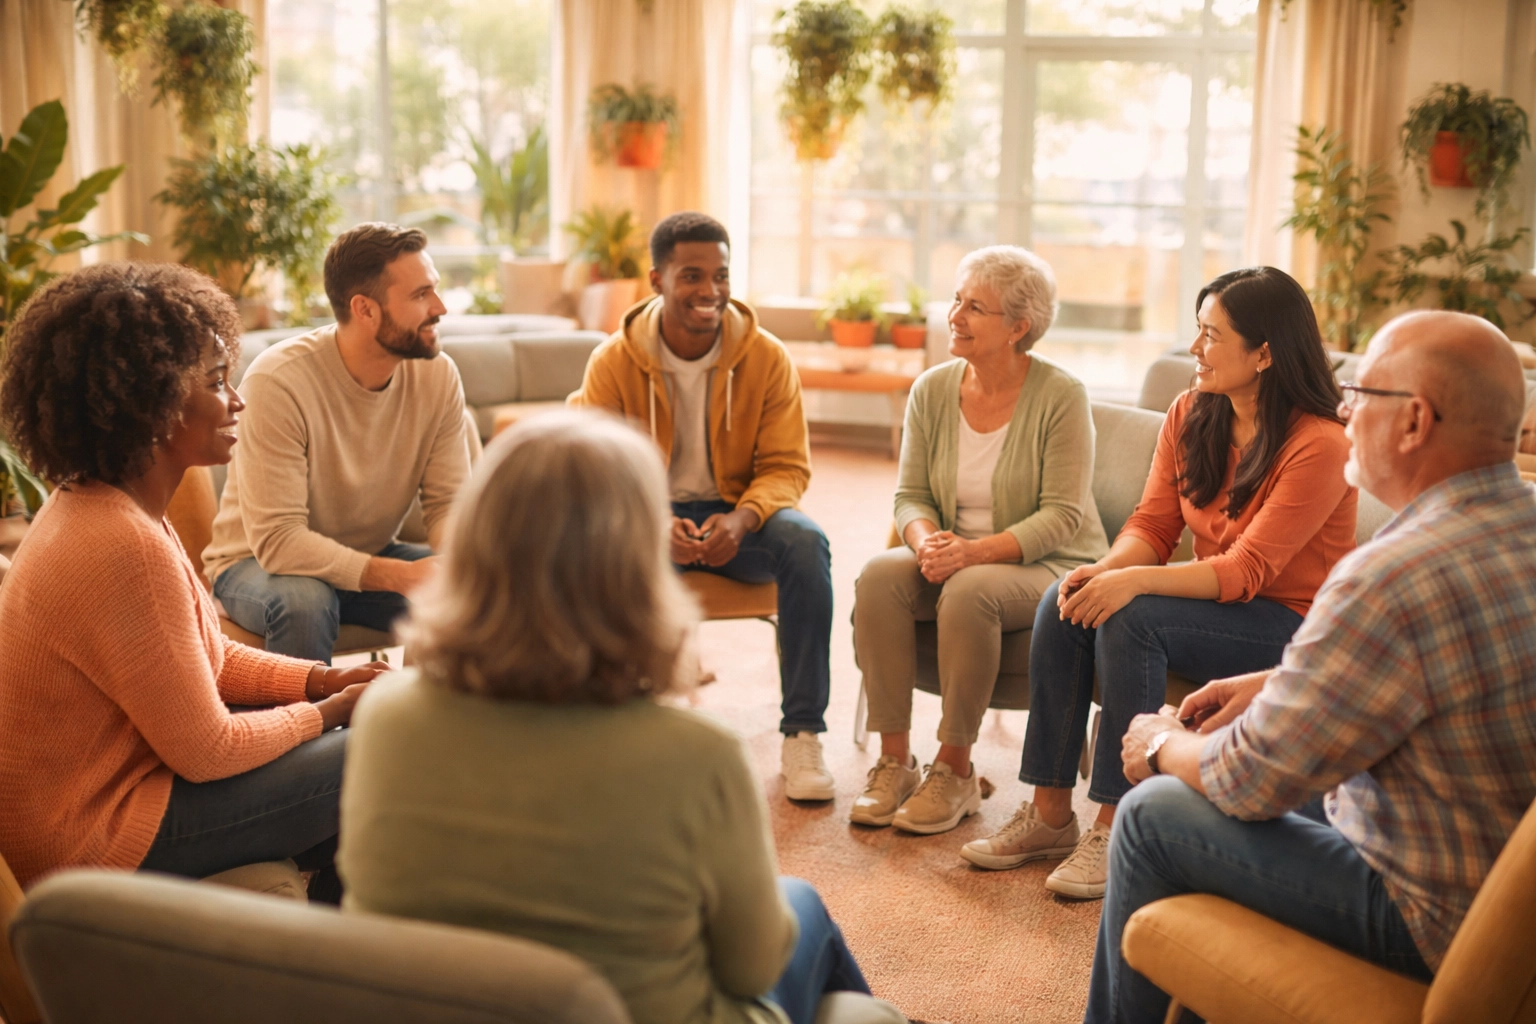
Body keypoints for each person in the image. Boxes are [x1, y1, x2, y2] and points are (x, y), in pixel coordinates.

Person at [338, 410, 901, 1024]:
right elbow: (752, 968)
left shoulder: (386, 718)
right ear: (636, 568)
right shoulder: (697, 754)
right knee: (803, 909)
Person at [1087, 310, 1536, 1024]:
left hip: (1430, 913)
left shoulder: (1393, 574)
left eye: (1360, 391)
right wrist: (1278, 684)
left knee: (1154, 812)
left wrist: (1160, 742)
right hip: (1493, 874)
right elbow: (1458, 670)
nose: (1344, 410)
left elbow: (1250, 779)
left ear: (1414, 421)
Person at [960, 266, 1357, 897]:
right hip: (1214, 606)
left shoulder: (1321, 443)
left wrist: (1135, 585)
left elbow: (1246, 571)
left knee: (1135, 615)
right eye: (1197, 330)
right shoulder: (1191, 410)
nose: (1195, 348)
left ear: (1263, 353)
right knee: (1065, 598)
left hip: (1288, 626)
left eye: (1211, 335)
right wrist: (1106, 571)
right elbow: (1152, 524)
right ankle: (1049, 814)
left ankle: (1117, 823)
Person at [0, 263, 382, 901]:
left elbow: (207, 659)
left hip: (120, 798)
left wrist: (324, 680)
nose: (236, 399)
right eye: (215, 381)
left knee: (362, 743)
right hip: (93, 840)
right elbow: (207, 749)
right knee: (376, 749)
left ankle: (323, 915)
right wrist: (328, 713)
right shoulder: (120, 542)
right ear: (149, 403)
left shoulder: (109, 507)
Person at [569, 211, 837, 802]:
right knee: (582, 549)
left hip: (739, 514)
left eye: (720, 275)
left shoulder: (766, 358)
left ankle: (803, 733)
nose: (710, 290)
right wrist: (650, 520)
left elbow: (787, 466)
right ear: (657, 280)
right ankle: (617, 725)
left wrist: (743, 519)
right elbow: (596, 470)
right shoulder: (613, 361)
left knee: (805, 542)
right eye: (692, 275)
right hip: (647, 515)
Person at [850, 246, 1108, 834]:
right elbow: (910, 495)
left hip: (1050, 561)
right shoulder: (932, 389)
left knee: (970, 591)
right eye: (956, 300)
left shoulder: (1062, 396)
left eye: (974, 307)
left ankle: (955, 768)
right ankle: (895, 762)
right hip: (952, 553)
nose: (955, 316)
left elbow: (1062, 516)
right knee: (880, 575)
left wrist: (971, 553)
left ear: (1018, 328)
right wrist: (925, 543)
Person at [203, 223, 471, 662]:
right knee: (306, 602)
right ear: (365, 309)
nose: (439, 307)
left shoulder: (438, 375)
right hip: (257, 563)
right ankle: (310, 712)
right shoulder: (278, 381)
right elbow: (280, 541)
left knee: (479, 592)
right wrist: (400, 577)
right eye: (421, 294)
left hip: (369, 552)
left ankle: (419, 707)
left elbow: (447, 504)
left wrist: (467, 565)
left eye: (435, 290)